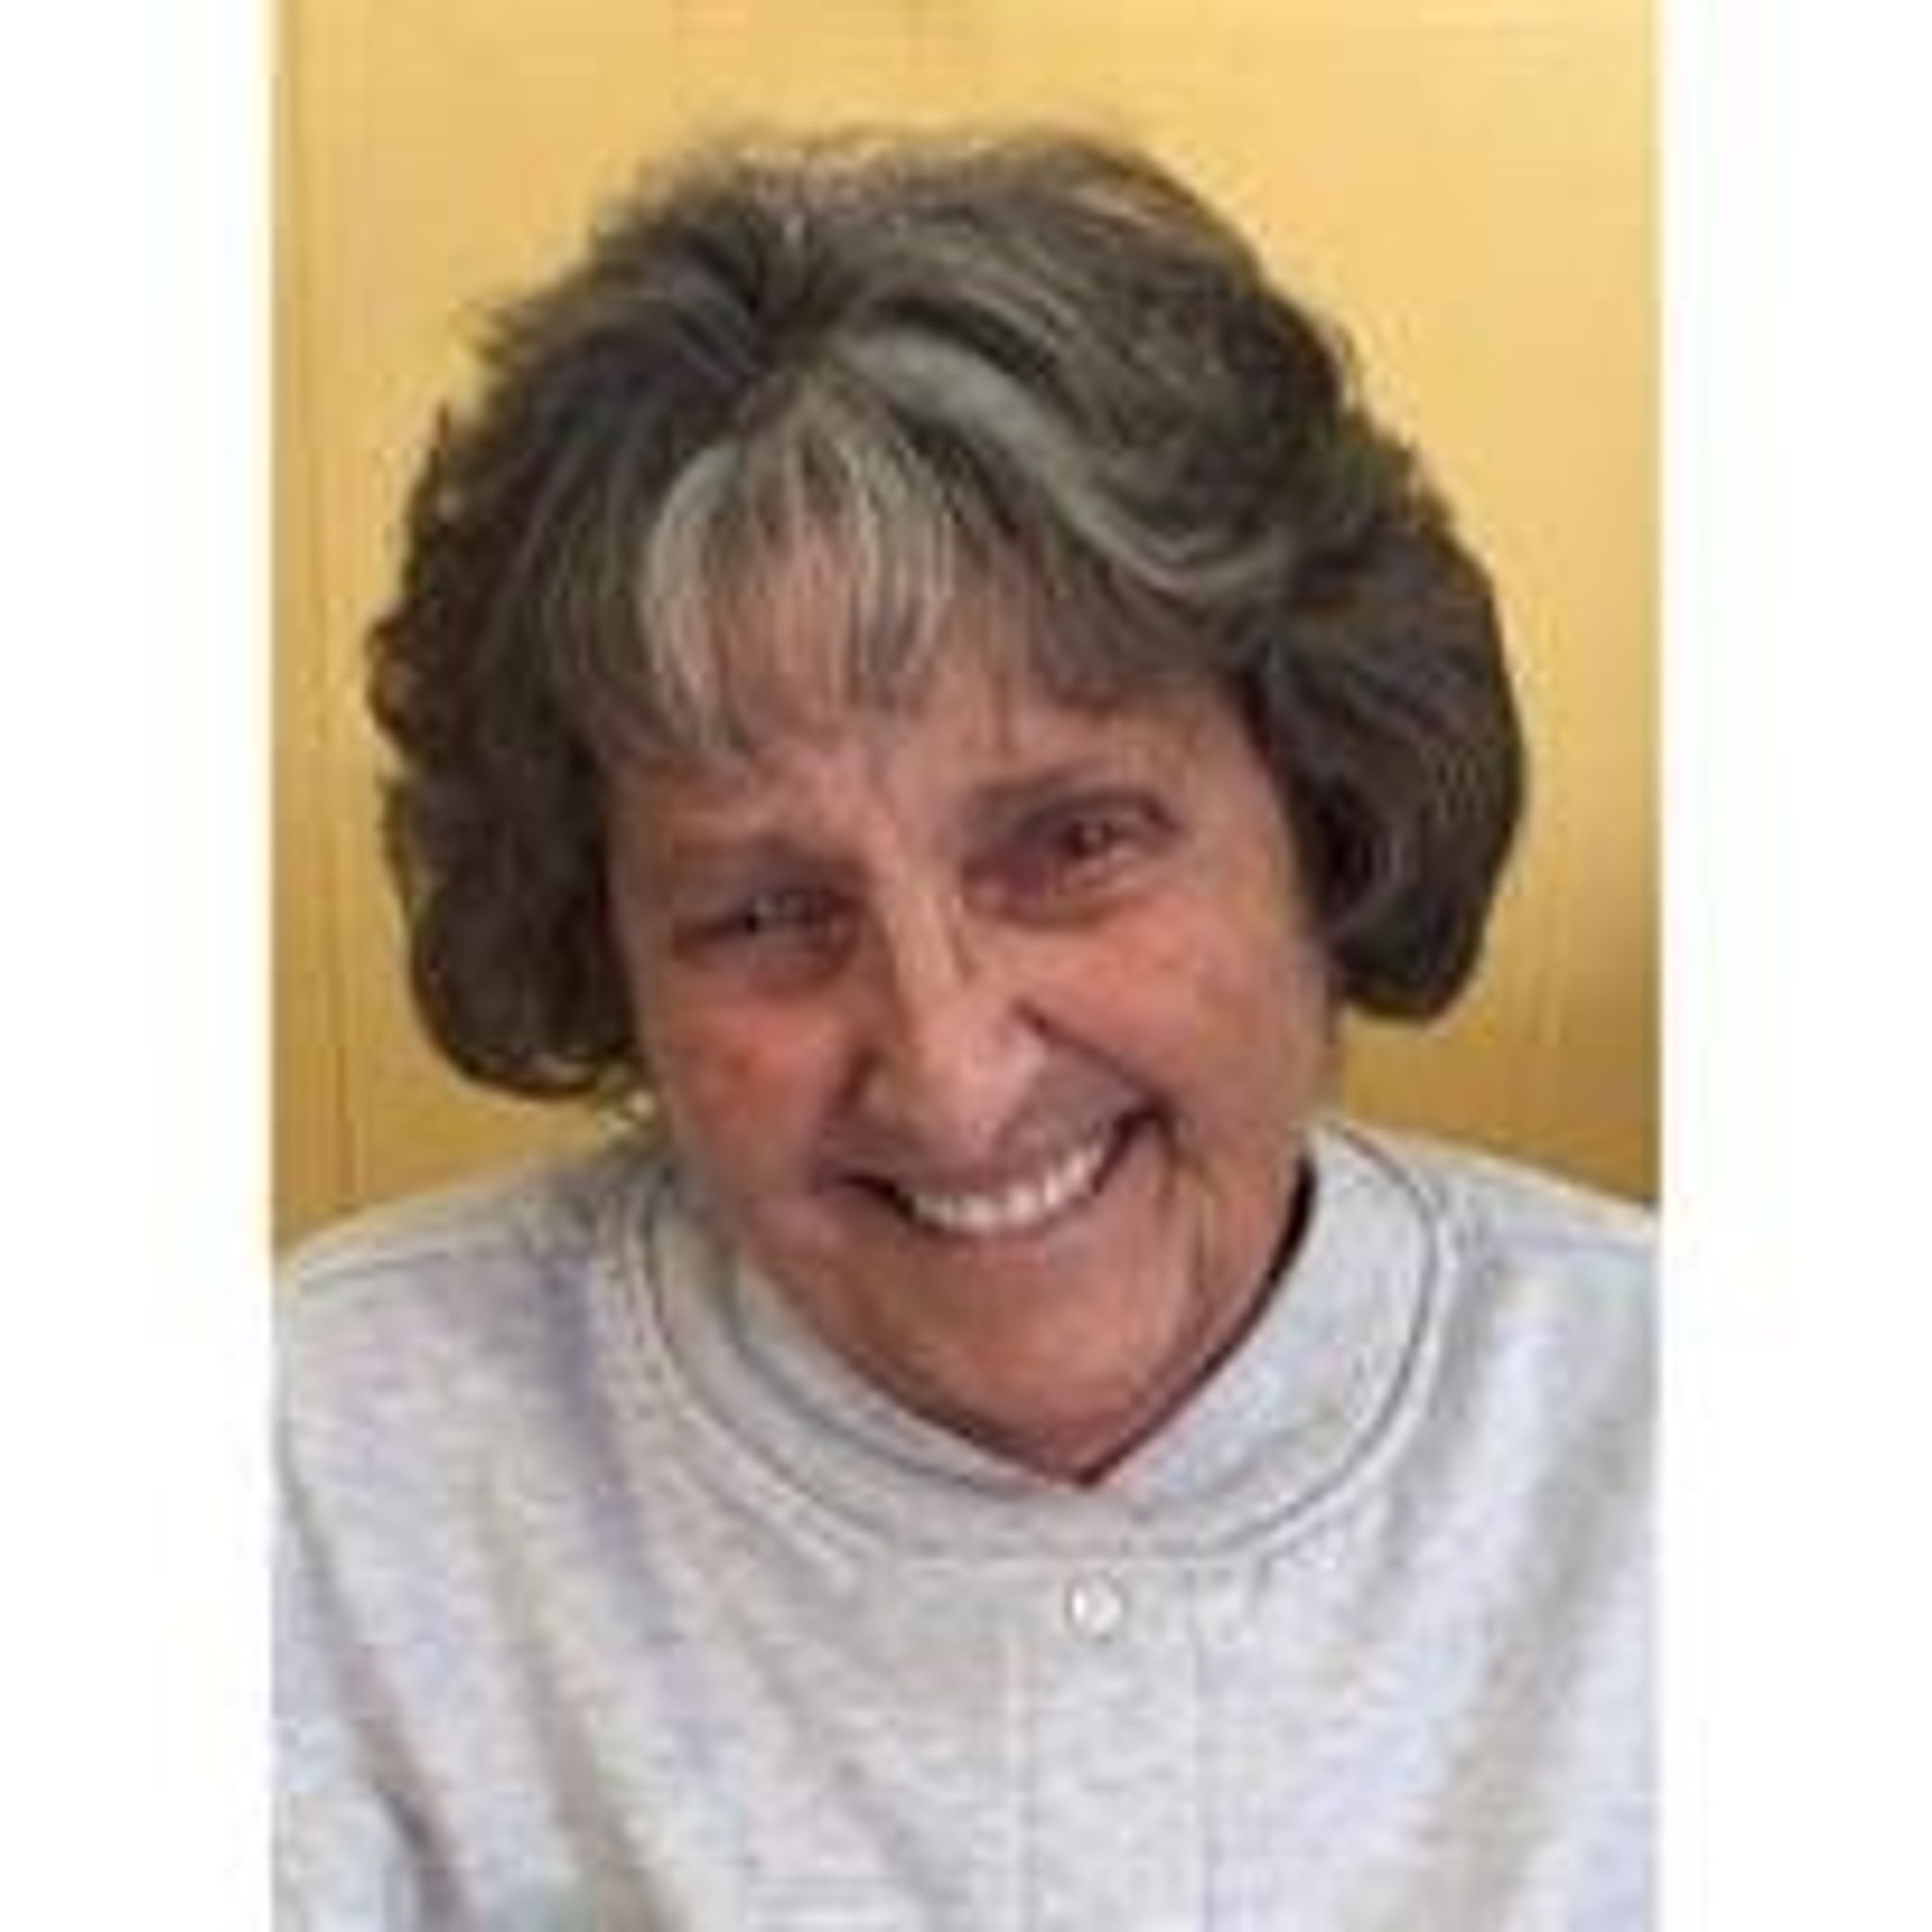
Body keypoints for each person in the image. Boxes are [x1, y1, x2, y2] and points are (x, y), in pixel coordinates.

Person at [277, 129, 1651, 1928]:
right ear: (607, 957)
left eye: (1073, 844)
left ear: (1326, 816)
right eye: (763, 913)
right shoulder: (322, 1469)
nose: (950, 1070)